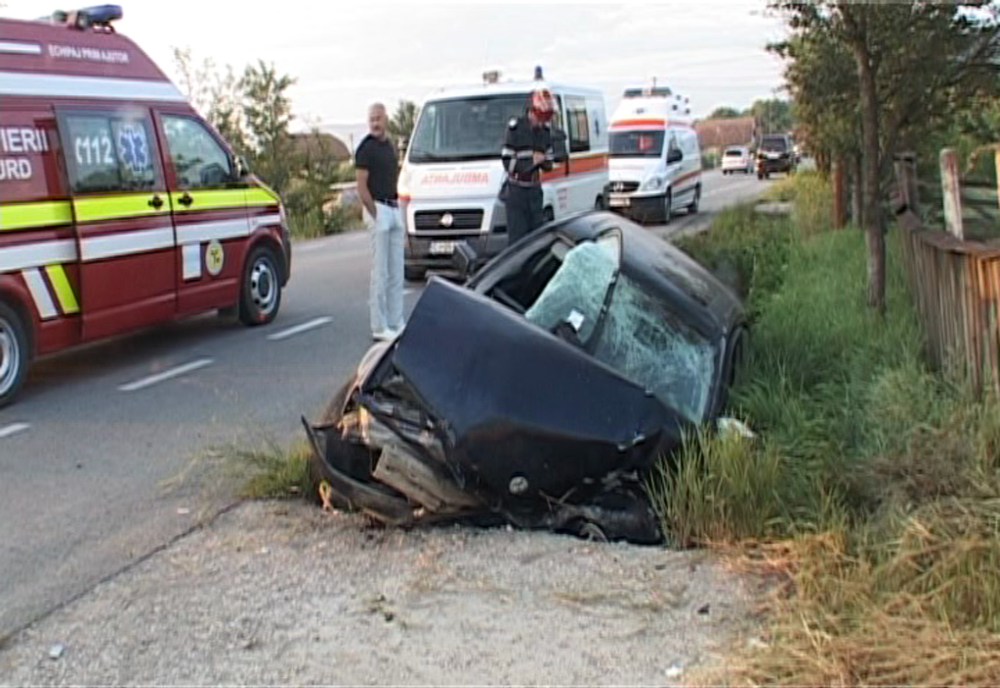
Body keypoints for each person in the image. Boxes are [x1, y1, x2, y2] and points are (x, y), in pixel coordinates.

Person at [355, 103, 405, 341]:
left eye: (378, 118)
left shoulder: (390, 146)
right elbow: (361, 185)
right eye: (371, 118)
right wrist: (375, 212)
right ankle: (379, 325)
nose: (375, 123)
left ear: (386, 119)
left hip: (394, 207)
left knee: (397, 270)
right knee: (380, 271)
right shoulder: (365, 149)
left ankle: (396, 321)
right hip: (379, 208)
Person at [501, 87, 556, 245]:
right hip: (516, 191)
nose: (541, 123)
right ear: (533, 112)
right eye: (540, 118)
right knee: (518, 240)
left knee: (537, 237)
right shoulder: (516, 129)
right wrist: (530, 163)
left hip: (534, 190)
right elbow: (507, 161)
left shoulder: (544, 132)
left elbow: (549, 162)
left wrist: (544, 161)